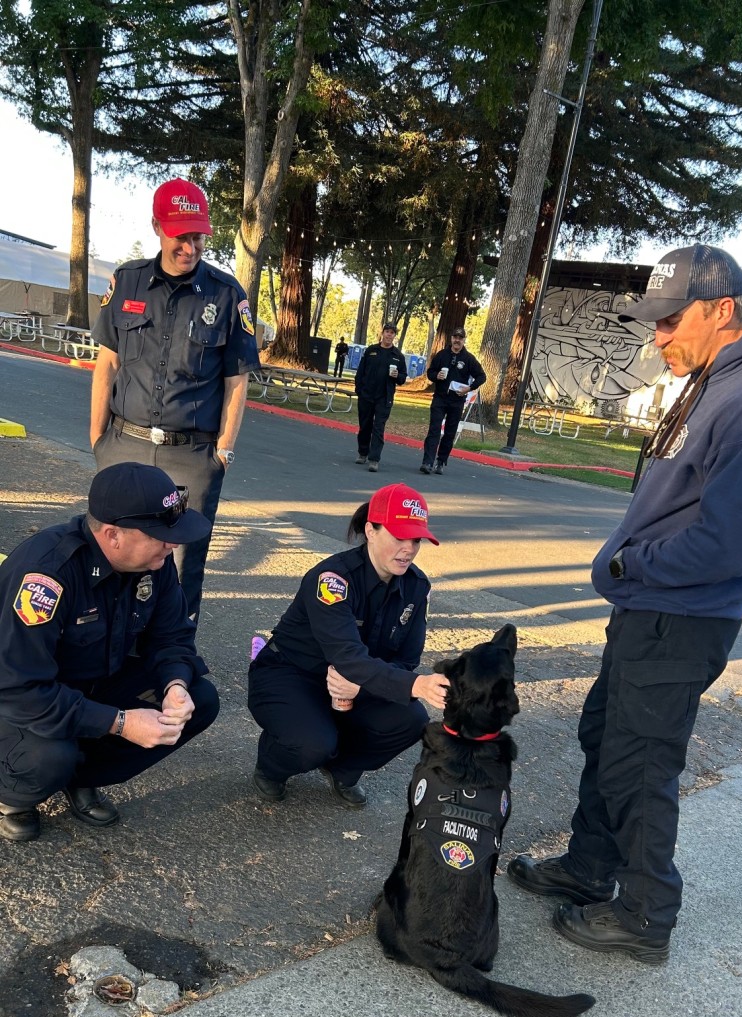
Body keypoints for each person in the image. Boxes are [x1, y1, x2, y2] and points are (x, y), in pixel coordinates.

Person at [508, 243, 742, 962]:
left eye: (671, 321)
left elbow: (730, 545)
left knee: (639, 763)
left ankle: (645, 915)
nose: (658, 337)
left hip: (681, 618)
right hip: (650, 608)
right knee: (606, 738)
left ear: (722, 310)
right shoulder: (718, 380)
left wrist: (628, 559)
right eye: (655, 321)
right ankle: (588, 869)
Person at [0, 463, 220, 843]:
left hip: (94, 683)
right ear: (113, 534)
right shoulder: (46, 576)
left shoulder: (155, 563)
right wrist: (121, 722)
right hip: (24, 700)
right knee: (50, 757)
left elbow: (172, 637)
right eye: (160, 535)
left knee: (200, 699)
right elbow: (20, 690)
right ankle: (12, 794)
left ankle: (81, 779)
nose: (173, 545)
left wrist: (175, 684)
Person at [90, 177, 261, 620]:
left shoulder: (226, 295)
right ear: (156, 226)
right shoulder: (126, 282)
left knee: (181, 567)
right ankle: (101, 656)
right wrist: (97, 440)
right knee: (109, 553)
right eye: (180, 234)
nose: (190, 245)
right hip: (123, 446)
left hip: (191, 456)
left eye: (199, 235)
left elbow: (236, 382)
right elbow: (106, 364)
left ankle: (172, 666)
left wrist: (222, 452)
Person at [247, 483, 449, 809]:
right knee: (311, 743)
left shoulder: (416, 586)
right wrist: (417, 685)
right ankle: (272, 765)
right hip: (293, 674)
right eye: (399, 537)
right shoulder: (332, 579)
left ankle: (342, 769)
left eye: (416, 539)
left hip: (356, 683)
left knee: (411, 718)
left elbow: (406, 659)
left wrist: (364, 688)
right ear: (371, 530)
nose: (409, 548)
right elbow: (349, 657)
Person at [420, 327, 486, 474]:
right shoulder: (442, 355)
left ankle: (441, 461)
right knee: (434, 430)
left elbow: (482, 376)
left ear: (464, 340)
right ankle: (427, 462)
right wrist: (437, 376)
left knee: (449, 433)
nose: (457, 340)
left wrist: (469, 388)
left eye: (460, 338)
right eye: (455, 337)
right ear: (451, 339)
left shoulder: (469, 359)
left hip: (456, 401)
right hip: (440, 399)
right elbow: (430, 372)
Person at [354, 322, 408, 472]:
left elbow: (403, 378)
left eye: (392, 333)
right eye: (387, 332)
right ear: (382, 333)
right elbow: (361, 372)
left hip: (384, 397)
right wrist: (359, 390)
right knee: (365, 426)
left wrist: (398, 376)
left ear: (395, 336)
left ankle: (374, 459)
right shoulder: (371, 350)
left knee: (378, 427)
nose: (389, 335)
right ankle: (363, 452)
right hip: (367, 395)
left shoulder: (398, 356)